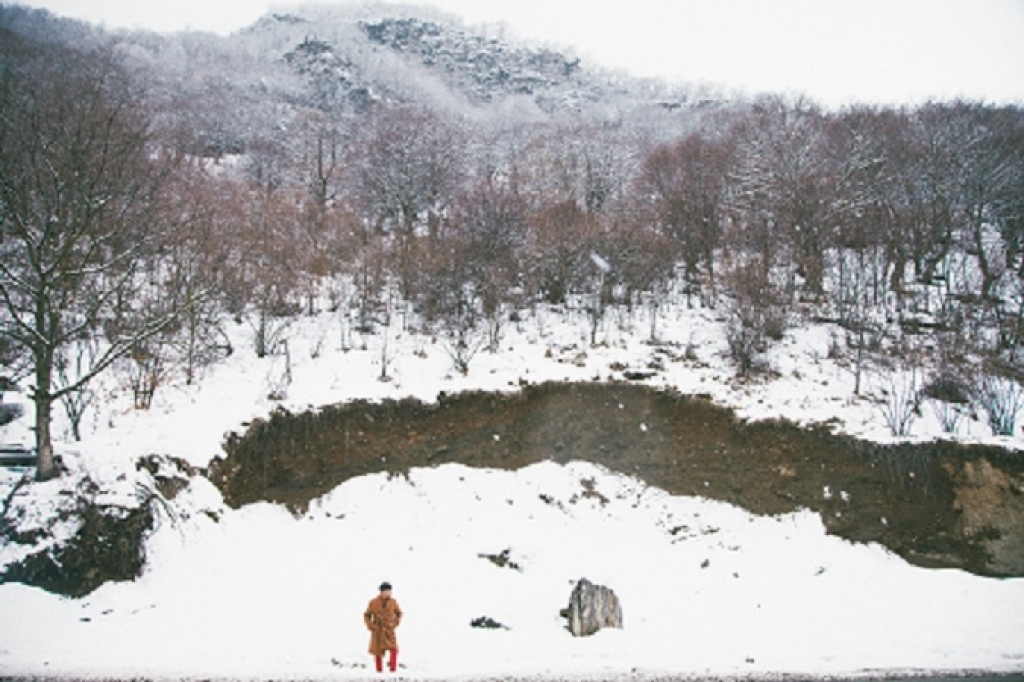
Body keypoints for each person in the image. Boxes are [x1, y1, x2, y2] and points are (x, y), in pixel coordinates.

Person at [364, 581, 402, 673]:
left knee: (394, 649)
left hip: (389, 629)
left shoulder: (393, 602)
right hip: (378, 629)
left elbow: (399, 613)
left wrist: (395, 623)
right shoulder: (373, 602)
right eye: (387, 591)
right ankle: (379, 671)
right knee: (378, 651)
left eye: (390, 591)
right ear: (382, 592)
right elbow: (367, 615)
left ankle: (393, 670)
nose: (389, 593)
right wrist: (371, 625)